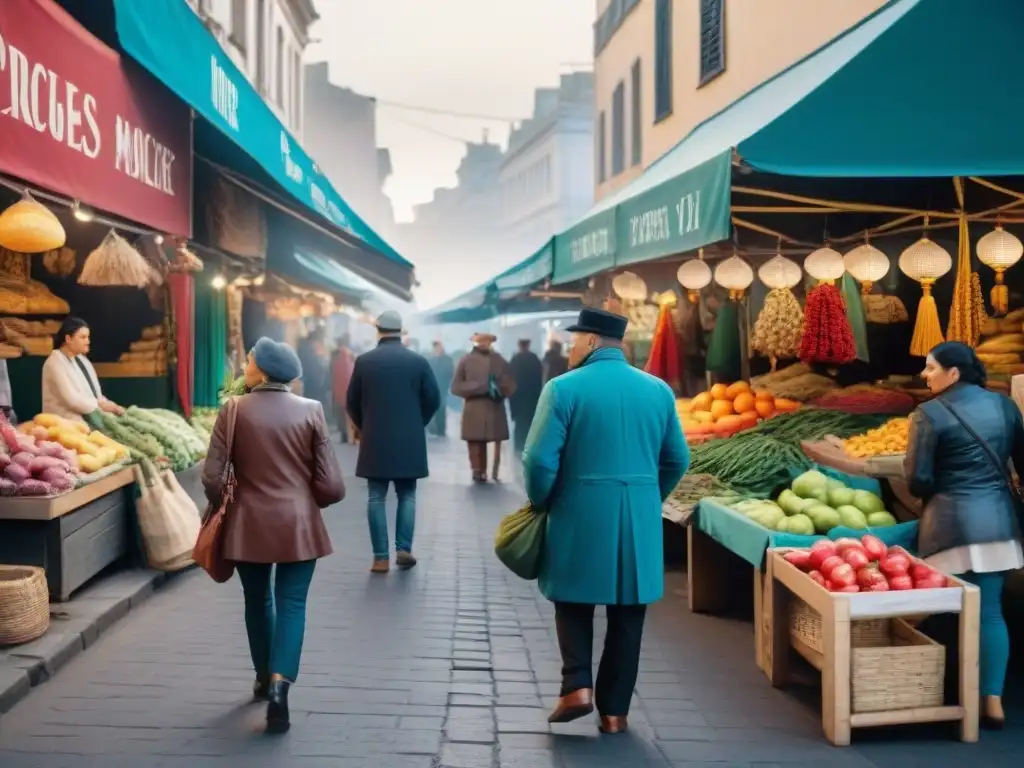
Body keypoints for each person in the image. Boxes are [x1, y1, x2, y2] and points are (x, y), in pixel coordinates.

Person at [522, 308, 690, 734]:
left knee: (573, 599)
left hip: (578, 508)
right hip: (638, 515)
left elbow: (539, 460)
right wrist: (648, 495)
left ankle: (576, 686)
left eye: (576, 339)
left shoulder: (562, 389)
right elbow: (677, 459)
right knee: (628, 612)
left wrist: (542, 500)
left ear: (593, 341)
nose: (571, 346)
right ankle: (615, 712)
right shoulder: (658, 391)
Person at [202, 337, 344, 734]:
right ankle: (282, 685)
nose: (244, 367)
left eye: (247, 361)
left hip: (248, 524)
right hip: (299, 524)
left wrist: (225, 502)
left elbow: (212, 477)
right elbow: (332, 485)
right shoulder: (312, 410)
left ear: (261, 371)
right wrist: (303, 497)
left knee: (257, 599)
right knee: (293, 602)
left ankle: (264, 677)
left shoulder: (233, 410)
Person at [904, 341, 1024, 729]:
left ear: (952, 373)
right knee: (990, 611)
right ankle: (992, 700)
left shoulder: (928, 414)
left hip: (949, 528)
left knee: (939, 609)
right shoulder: (1006, 406)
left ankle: (935, 689)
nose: (925, 375)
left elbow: (918, 481)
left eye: (930, 367)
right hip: (999, 528)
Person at [347, 311, 441, 573]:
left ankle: (380, 558)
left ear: (378, 330)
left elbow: (351, 401)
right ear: (401, 331)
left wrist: (366, 426)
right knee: (407, 495)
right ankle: (403, 549)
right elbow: (433, 398)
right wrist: (416, 422)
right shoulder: (418, 362)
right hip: (409, 439)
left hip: (375, 438)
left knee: (376, 497)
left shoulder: (364, 362)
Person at [451, 332, 515, 482]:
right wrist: (479, 387)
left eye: (486, 341)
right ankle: (477, 470)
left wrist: (500, 389)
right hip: (474, 407)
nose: (483, 343)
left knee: (488, 439)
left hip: (494, 406)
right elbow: (456, 386)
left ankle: (491, 470)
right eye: (480, 341)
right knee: (474, 441)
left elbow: (510, 382)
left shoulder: (499, 360)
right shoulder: (465, 360)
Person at [41, 317, 125, 422]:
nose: (88, 341)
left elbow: (95, 394)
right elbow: (73, 401)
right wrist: (101, 405)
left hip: (86, 422)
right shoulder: (54, 362)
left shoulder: (83, 360)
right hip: (62, 425)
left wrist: (111, 406)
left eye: (88, 337)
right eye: (83, 337)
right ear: (68, 339)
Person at [508, 338, 543, 454]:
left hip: (518, 396)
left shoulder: (515, 359)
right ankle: (529, 445)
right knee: (530, 422)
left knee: (519, 423)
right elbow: (539, 378)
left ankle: (518, 446)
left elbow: (510, 378)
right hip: (531, 395)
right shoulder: (534, 359)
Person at [330, 334, 357, 442]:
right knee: (349, 412)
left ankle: (344, 435)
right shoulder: (351, 354)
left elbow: (331, 370)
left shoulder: (335, 354)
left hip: (338, 386)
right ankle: (350, 435)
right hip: (348, 385)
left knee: (340, 411)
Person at [427, 341, 454, 437]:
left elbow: (451, 374)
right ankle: (433, 429)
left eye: (439, 347)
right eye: (436, 348)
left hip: (443, 388)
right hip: (432, 388)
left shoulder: (448, 361)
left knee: (441, 408)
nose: (438, 349)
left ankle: (441, 430)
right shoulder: (430, 360)